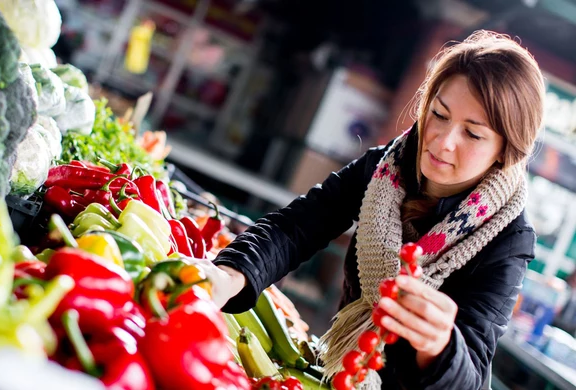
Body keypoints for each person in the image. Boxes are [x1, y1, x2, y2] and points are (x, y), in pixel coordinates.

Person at [190, 30, 545, 389]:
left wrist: (441, 347)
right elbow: (297, 227)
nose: (443, 141)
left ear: (505, 150)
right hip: (339, 374)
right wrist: (230, 274)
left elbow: (472, 377)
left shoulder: (508, 239)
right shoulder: (387, 168)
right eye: (439, 114)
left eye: (473, 134)